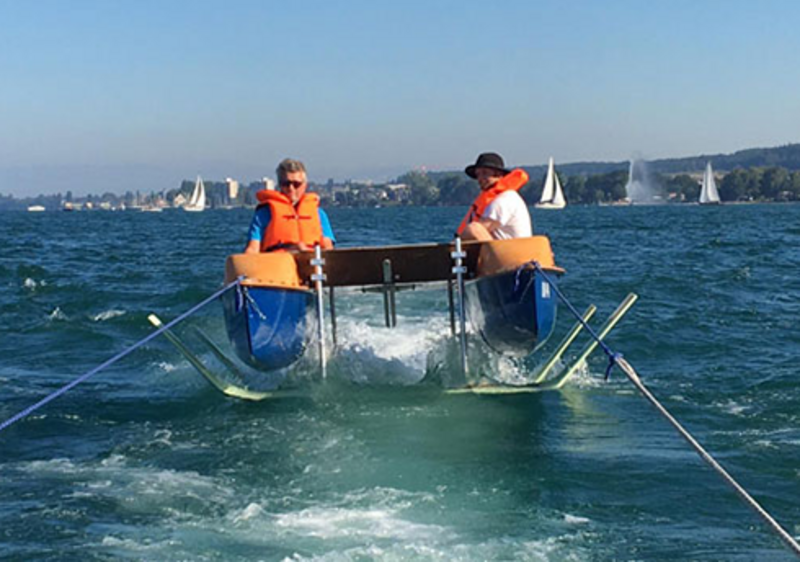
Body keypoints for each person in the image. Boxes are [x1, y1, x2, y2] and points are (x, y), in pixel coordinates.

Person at [244, 158, 335, 253]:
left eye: (296, 184)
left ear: (305, 185)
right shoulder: (263, 214)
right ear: (279, 185)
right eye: (286, 184)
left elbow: (328, 248)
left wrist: (305, 251)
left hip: (311, 262)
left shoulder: (319, 214)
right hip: (277, 264)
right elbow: (253, 248)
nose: (291, 188)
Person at [456, 152, 532, 241]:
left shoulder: (505, 199)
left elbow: (476, 230)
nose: (480, 178)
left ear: (498, 174)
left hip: (512, 253)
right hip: (503, 251)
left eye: (484, 173)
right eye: (478, 174)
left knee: (473, 229)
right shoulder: (498, 199)